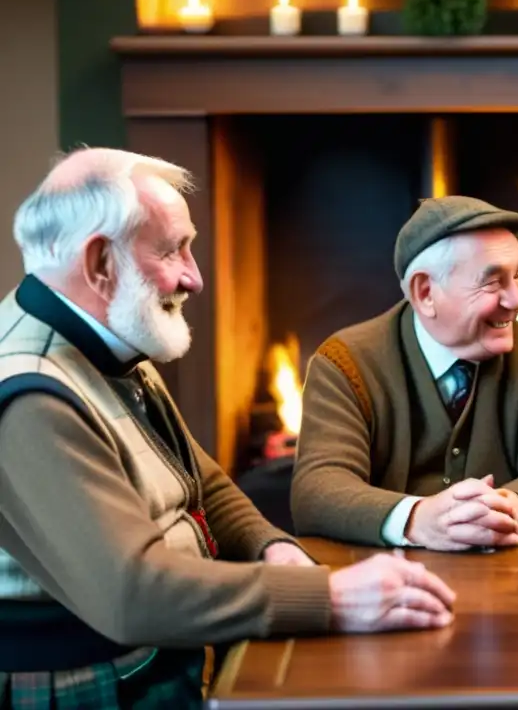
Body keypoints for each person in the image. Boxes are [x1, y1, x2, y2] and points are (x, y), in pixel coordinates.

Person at [0, 148, 455, 709]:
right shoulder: (31, 396)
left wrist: (270, 547)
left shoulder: (104, 339)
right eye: (172, 251)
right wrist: (329, 596)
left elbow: (201, 481)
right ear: (100, 263)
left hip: (165, 658)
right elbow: (130, 594)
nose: (194, 276)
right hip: (89, 687)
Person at [291, 195, 518, 551]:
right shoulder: (345, 362)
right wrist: (418, 519)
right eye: (493, 281)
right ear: (425, 293)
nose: (517, 299)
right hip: (385, 585)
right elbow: (317, 487)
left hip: (513, 579)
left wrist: (508, 509)